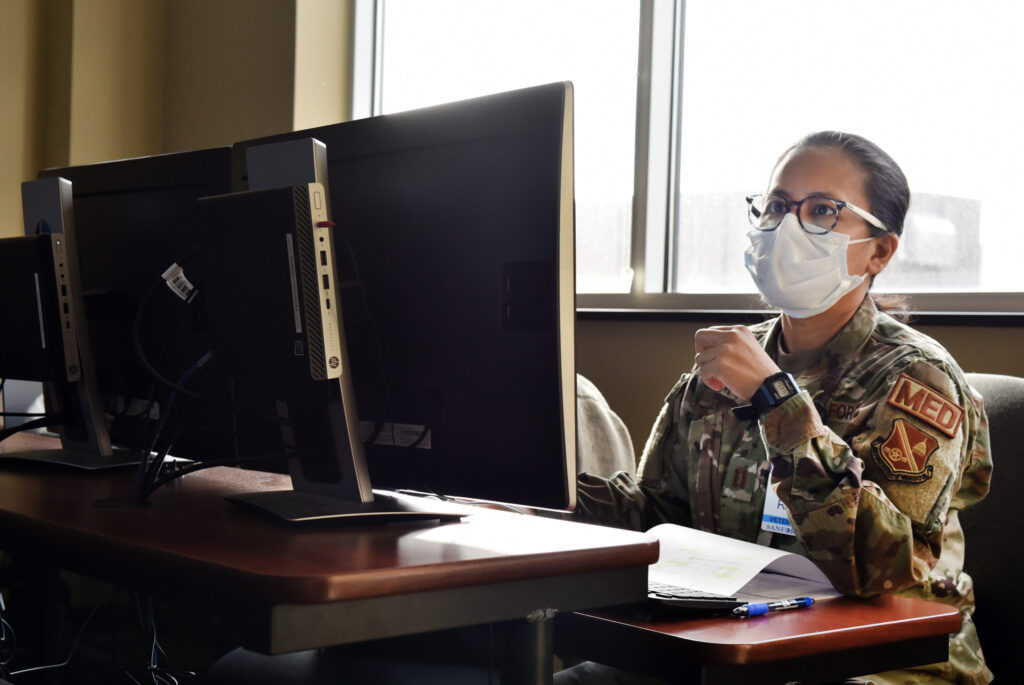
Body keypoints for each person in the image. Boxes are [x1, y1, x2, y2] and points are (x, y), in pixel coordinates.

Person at [560, 131, 993, 685]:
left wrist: (776, 401)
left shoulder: (917, 379)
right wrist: (551, 494)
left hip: (881, 661)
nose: (788, 226)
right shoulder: (725, 364)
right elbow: (660, 517)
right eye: (777, 206)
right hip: (732, 639)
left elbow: (883, 566)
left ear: (880, 251)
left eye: (821, 211)